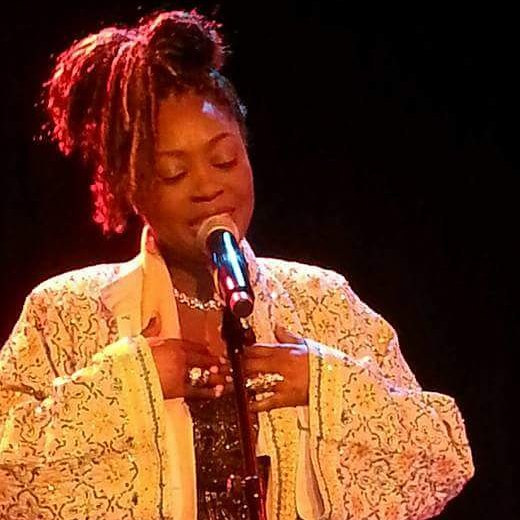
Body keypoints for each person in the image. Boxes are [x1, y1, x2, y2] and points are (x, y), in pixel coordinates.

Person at [0, 9, 474, 520]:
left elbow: (444, 458)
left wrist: (322, 384)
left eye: (224, 159)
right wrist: (129, 385)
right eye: (174, 173)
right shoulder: (67, 312)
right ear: (130, 188)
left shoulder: (323, 302)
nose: (208, 186)